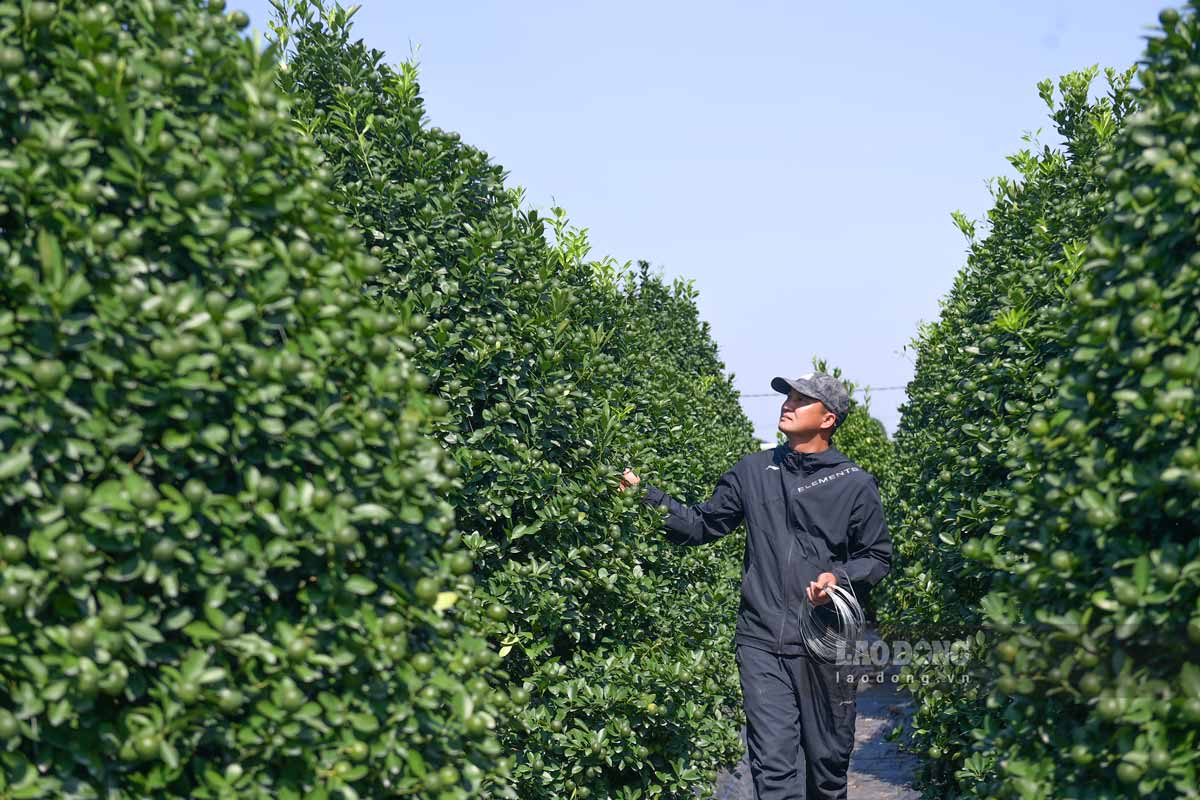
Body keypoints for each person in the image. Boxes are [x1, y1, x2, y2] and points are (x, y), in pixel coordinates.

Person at [618, 372, 891, 800]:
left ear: (827, 420)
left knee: (827, 768)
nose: (788, 404)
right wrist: (645, 496)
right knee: (774, 768)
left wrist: (837, 580)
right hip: (761, 640)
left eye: (802, 400)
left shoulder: (853, 483)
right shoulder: (753, 471)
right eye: (789, 397)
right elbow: (703, 525)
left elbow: (876, 558)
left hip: (828, 644)